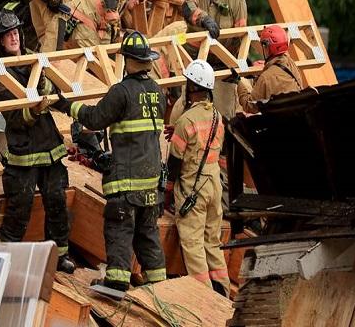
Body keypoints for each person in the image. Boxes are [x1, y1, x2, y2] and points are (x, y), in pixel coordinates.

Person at [52, 31, 166, 292]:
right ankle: (159, 285)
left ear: (127, 60)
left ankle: (116, 280)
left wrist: (68, 107)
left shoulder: (122, 92)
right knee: (147, 234)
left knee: (120, 229)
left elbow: (94, 119)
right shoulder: (158, 93)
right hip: (151, 183)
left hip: (127, 181)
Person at [0, 10, 74, 273]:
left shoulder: (35, 62)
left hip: (49, 145)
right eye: (7, 35)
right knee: (19, 207)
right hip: (23, 151)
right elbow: (15, 118)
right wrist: (34, 109)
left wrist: (74, 110)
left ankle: (58, 254)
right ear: (0, 42)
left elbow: (59, 93)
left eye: (15, 33)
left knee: (57, 201)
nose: (13, 37)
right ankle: (4, 258)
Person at [165, 59, 229, 296]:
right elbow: (206, 146)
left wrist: (168, 193)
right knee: (212, 242)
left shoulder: (185, 120)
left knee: (192, 244)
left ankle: (204, 297)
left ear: (191, 87)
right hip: (214, 186)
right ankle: (222, 291)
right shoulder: (216, 116)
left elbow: (175, 162)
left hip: (193, 188)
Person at [181, 0, 246, 119]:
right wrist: (204, 19)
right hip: (195, 62)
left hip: (221, 67)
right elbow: (187, 7)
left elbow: (241, 36)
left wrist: (237, 65)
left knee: (224, 117)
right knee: (188, 116)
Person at [63, 0, 147, 48]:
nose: (137, 2)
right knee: (94, 57)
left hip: (71, 16)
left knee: (100, 51)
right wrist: (112, 14)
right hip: (82, 19)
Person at [237, 25, 303, 113]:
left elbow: (250, 106)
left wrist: (238, 82)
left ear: (267, 46)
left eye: (263, 45)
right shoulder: (291, 63)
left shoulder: (266, 78)